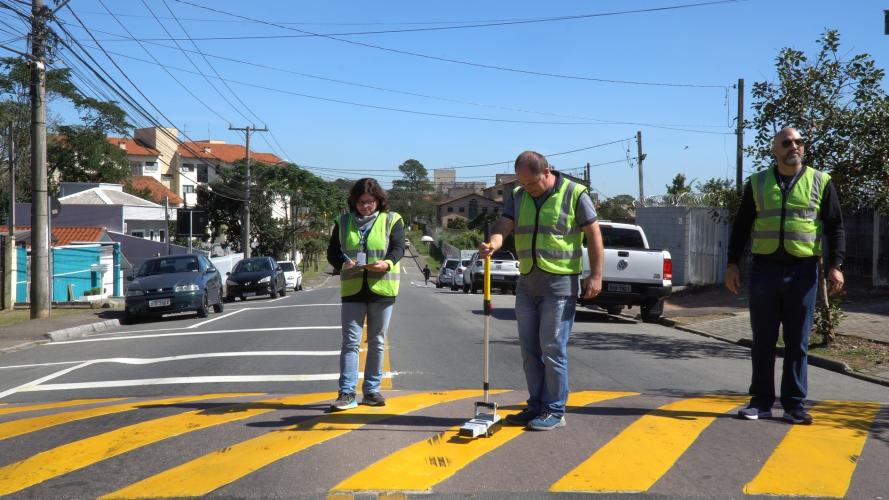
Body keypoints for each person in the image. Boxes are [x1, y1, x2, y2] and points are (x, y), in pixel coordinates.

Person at [726, 127, 845, 425]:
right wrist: (732, 264)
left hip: (803, 272)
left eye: (799, 142)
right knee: (763, 341)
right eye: (787, 142)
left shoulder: (820, 181)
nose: (795, 146)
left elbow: (835, 226)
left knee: (797, 342)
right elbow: (741, 226)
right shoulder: (758, 182)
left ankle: (794, 405)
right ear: (775, 150)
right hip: (764, 271)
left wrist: (836, 265)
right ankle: (760, 402)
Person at [478, 150, 603, 431]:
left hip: (559, 286)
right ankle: (535, 404)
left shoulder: (574, 193)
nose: (528, 188)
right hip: (527, 284)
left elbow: (594, 235)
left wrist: (596, 275)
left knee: (552, 349)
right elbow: (504, 225)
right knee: (529, 350)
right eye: (523, 183)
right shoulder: (518, 195)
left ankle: (554, 410)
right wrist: (494, 242)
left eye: (532, 183)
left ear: (546, 172)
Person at [326, 178, 405, 411]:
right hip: (353, 289)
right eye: (361, 202)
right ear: (354, 202)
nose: (365, 206)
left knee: (377, 342)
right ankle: (347, 392)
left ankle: (371, 391)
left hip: (382, 288)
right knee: (350, 342)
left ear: (379, 200)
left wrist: (387, 263)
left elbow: (398, 248)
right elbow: (332, 252)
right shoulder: (343, 221)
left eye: (370, 202)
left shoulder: (392, 219)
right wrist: (343, 263)